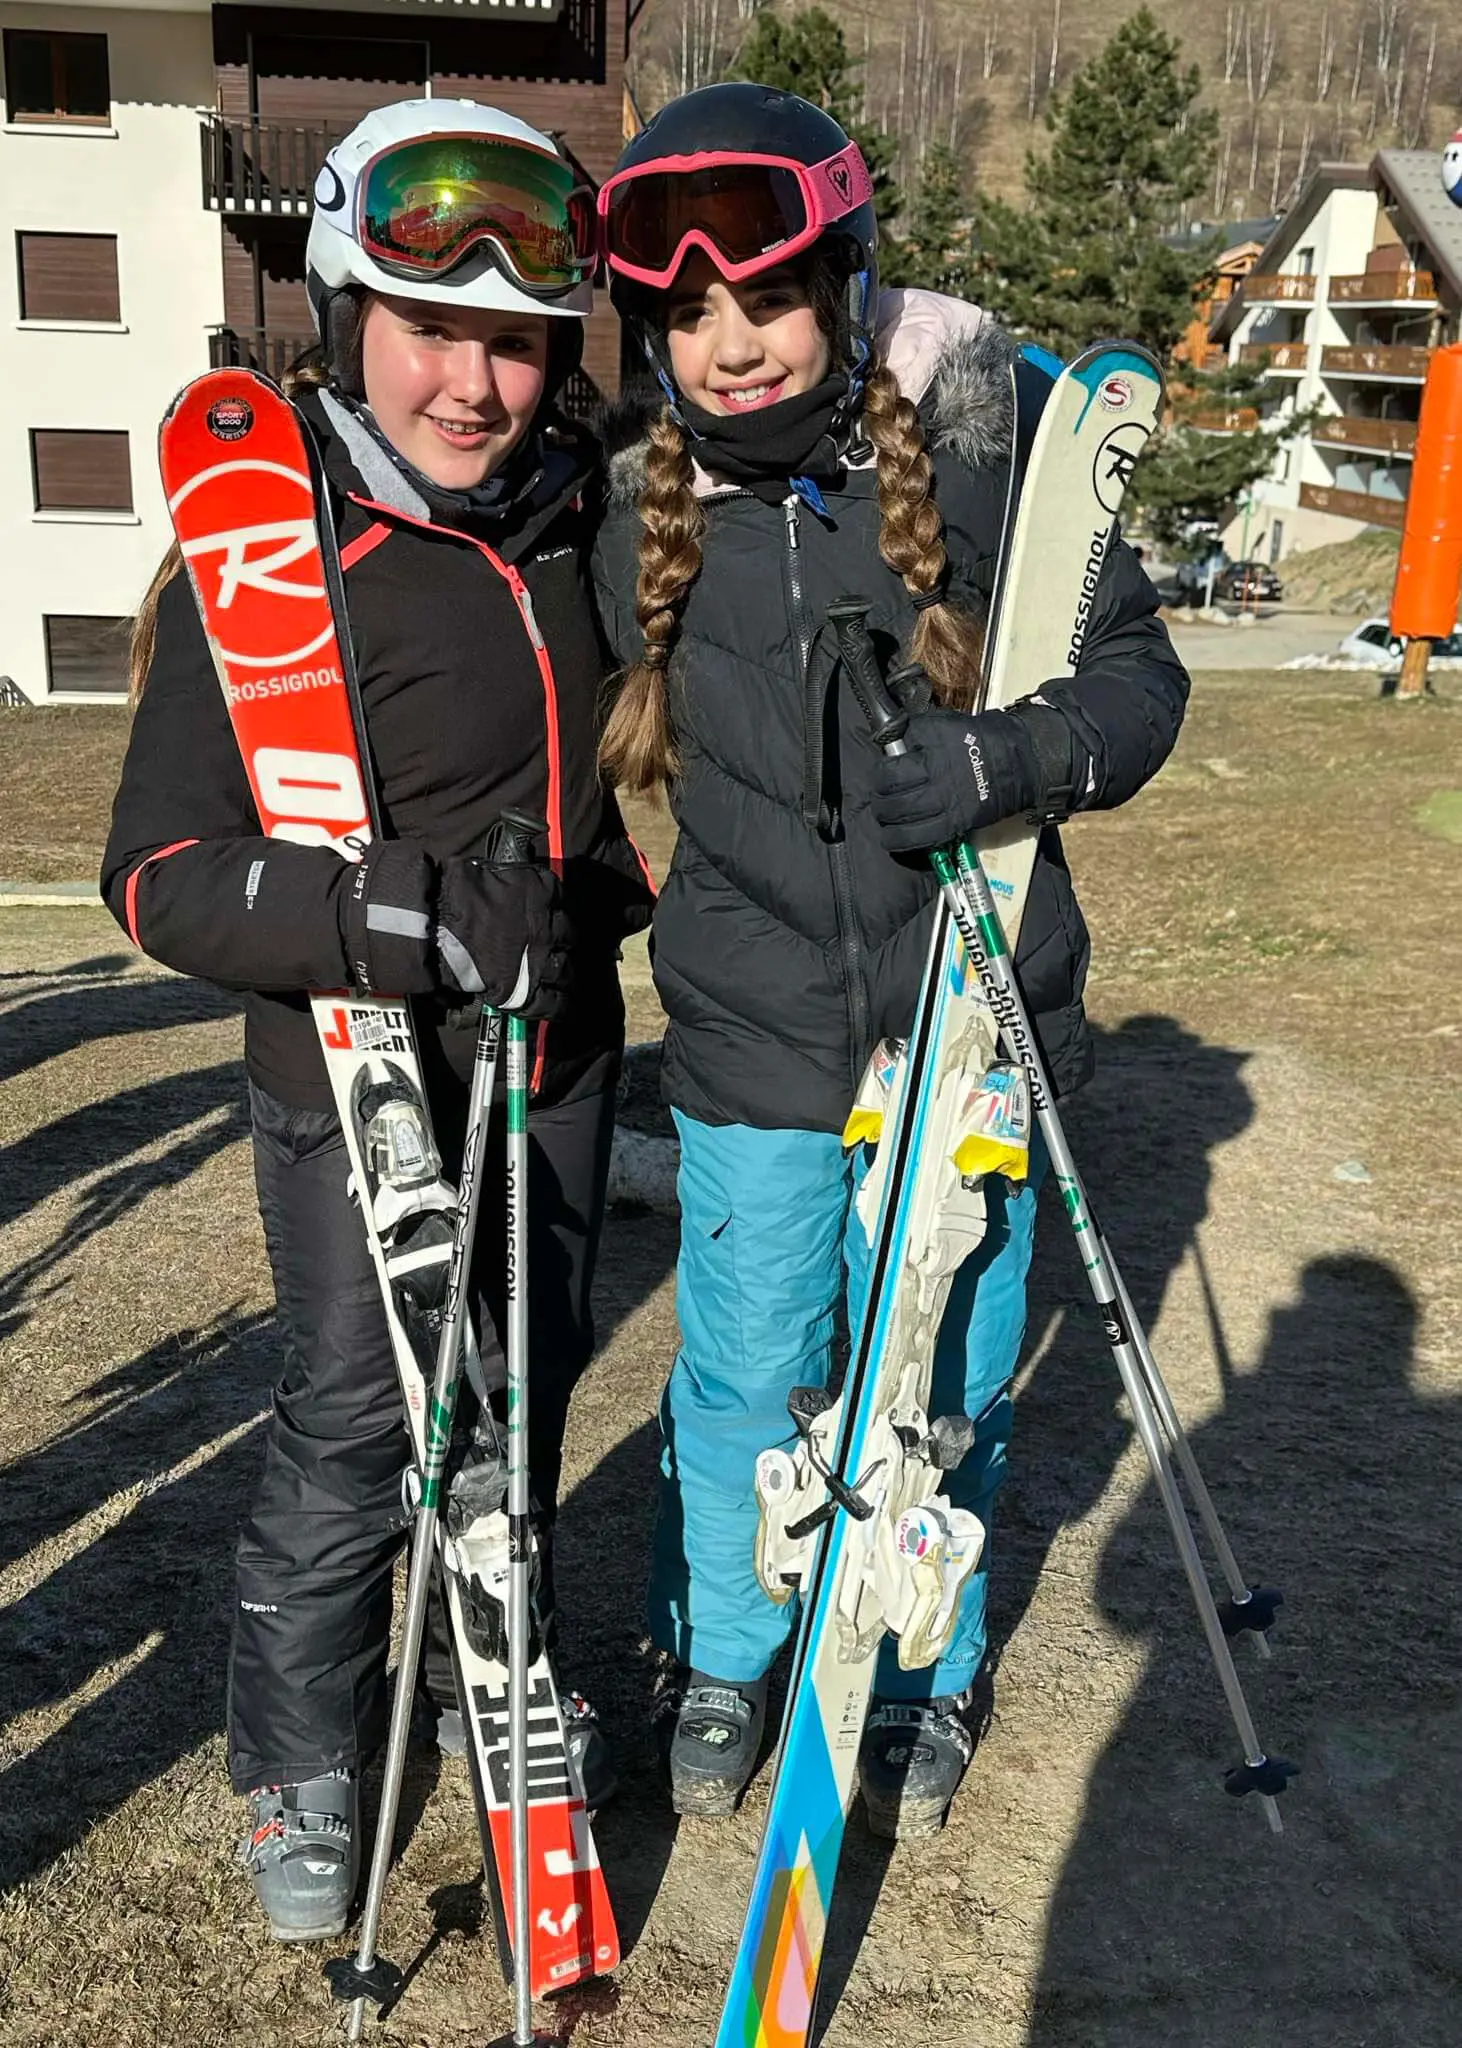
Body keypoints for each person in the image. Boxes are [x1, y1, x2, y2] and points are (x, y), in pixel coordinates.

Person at [591, 82, 1191, 1838]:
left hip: (975, 1013)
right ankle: (720, 1650)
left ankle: (927, 1664)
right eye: (685, 316)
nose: (729, 344)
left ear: (840, 284)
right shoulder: (626, 508)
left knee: (951, 1364)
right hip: (755, 1022)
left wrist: (1010, 758)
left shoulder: (981, 452)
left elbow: (1137, 680)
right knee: (750, 1361)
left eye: (764, 296)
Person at [102, 99, 651, 1940]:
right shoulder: (280, 551)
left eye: (515, 341)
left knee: (521, 1413)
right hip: (355, 1086)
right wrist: (397, 911)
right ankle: (300, 1763)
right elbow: (161, 874)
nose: (476, 384)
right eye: (436, 331)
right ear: (346, 313)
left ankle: (494, 1699)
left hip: (552, 1062)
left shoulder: (581, 518)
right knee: (358, 1427)